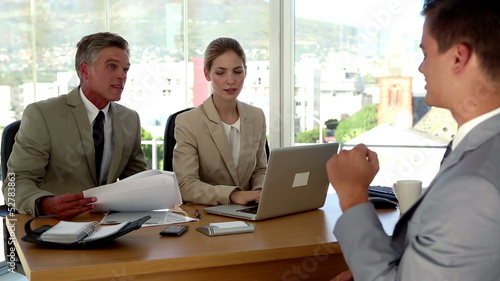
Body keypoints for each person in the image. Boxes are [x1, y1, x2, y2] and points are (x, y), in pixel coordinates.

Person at [327, 0, 500, 280]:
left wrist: (353, 195)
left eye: (426, 54)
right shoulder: (478, 144)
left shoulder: (475, 186)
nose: (421, 68)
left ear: (458, 57)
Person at [2, 32, 147, 220]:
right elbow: (15, 182)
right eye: (112, 66)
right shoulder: (42, 114)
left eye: (125, 69)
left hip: (112, 227)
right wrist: (44, 204)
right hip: (54, 226)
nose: (122, 76)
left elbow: (137, 181)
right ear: (85, 71)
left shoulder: (130, 119)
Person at [173, 37, 267, 206]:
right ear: (207, 73)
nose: (230, 80)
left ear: (246, 71)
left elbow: (260, 170)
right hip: (207, 216)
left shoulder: (256, 117)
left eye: (237, 71)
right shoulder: (188, 122)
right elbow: (185, 185)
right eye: (220, 72)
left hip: (249, 214)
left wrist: (260, 192)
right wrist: (233, 195)